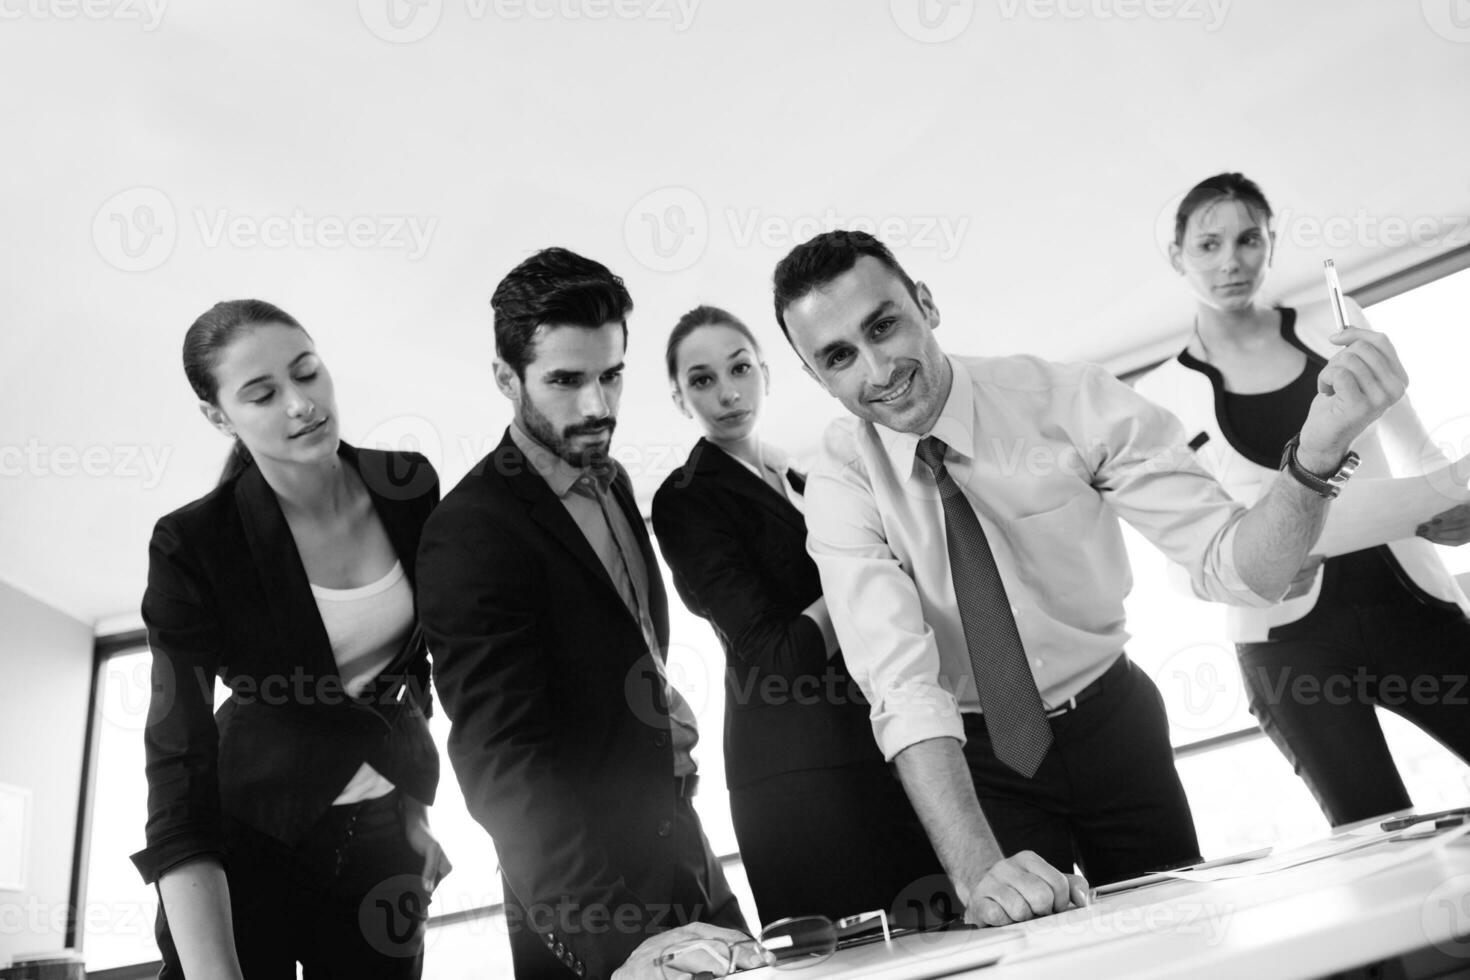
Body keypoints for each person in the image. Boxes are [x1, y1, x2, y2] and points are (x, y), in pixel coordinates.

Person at [773, 229, 1408, 927]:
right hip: (983, 761)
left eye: (884, 325)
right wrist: (979, 871)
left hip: (1113, 723)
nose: (879, 367)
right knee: (1034, 955)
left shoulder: (1067, 400)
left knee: (1177, 942)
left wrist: (1316, 458)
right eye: (839, 356)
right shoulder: (841, 484)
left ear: (926, 303)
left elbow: (1240, 568)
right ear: (816, 376)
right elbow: (902, 686)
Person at [416, 250, 765, 980]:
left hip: (687, 859)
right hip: (592, 903)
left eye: (611, 375)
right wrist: (616, 944)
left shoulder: (612, 483)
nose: (597, 406)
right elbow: (503, 765)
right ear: (506, 379)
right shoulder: (472, 527)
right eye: (566, 381)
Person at [1135, 172, 1470, 827]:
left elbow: (1418, 450)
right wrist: (1247, 578)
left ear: (1270, 244)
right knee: (1380, 836)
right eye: (1208, 245)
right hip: (1288, 649)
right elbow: (1181, 561)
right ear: (1178, 256)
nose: (1230, 261)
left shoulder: (1336, 326)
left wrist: (1456, 506)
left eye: (1248, 240)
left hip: (1413, 607)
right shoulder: (1158, 397)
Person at [133, 299, 450, 979]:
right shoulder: (194, 543)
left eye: (308, 373)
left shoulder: (410, 487)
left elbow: (413, 669)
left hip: (381, 847)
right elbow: (178, 760)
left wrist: (414, 811)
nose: (302, 404)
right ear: (219, 417)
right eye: (263, 393)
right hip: (251, 843)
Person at [651, 306, 950, 928]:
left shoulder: (802, 475)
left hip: (876, 740)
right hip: (798, 772)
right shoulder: (685, 498)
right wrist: (861, 573)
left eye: (740, 369)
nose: (728, 392)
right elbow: (777, 653)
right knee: (851, 959)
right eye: (702, 381)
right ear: (679, 399)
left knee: (943, 935)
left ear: (766, 372)